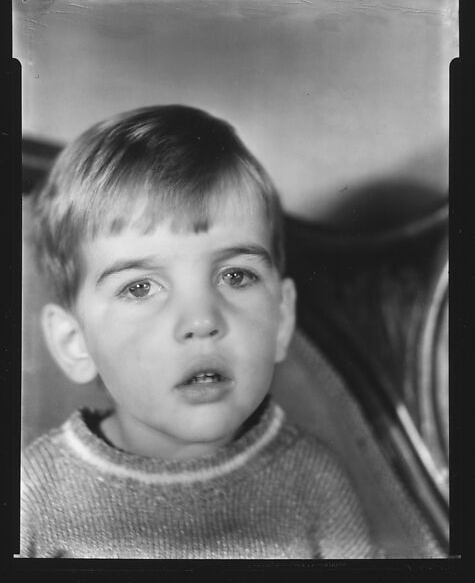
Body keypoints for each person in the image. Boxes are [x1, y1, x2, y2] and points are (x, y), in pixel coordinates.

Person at [20, 105, 380, 558]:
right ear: (75, 343)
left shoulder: (312, 482)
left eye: (235, 276)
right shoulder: (34, 495)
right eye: (140, 287)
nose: (202, 321)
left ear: (282, 319)